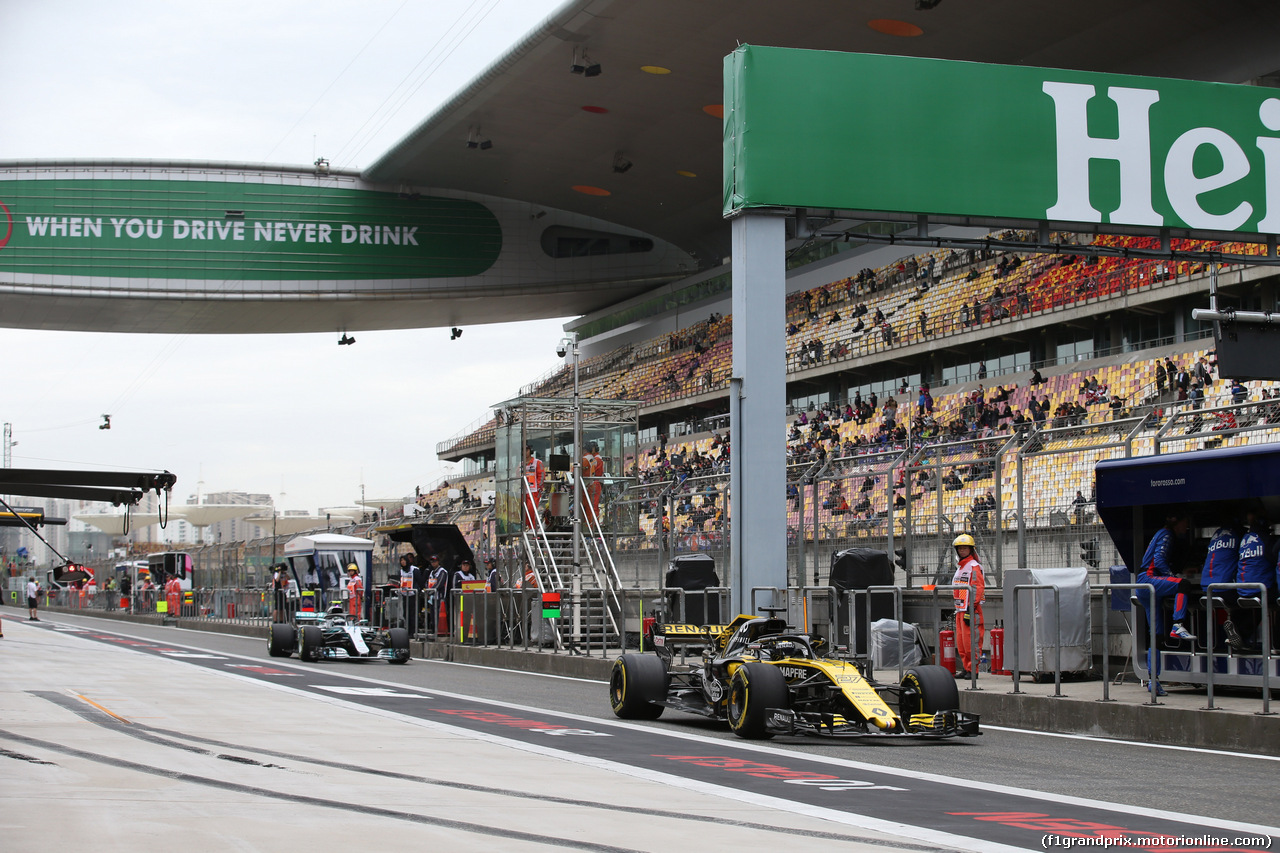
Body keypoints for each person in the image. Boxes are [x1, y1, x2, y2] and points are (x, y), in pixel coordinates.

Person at [1137, 514, 1196, 646]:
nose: (1186, 526)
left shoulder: (1161, 533)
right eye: (1185, 522)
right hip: (1149, 579)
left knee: (1156, 638)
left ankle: (1153, 667)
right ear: (1177, 522)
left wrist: (1176, 573)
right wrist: (1173, 577)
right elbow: (1158, 561)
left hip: (1143, 583)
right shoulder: (1167, 534)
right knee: (1183, 585)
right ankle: (1178, 625)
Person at [1200, 523, 1244, 650]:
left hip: (1206, 590)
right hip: (1224, 589)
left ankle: (1232, 635)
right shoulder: (1239, 535)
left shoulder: (1215, 535)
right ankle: (1240, 635)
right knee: (1251, 599)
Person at [951, 534, 985, 679]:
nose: (962, 551)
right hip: (960, 609)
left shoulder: (974, 566)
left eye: (965, 548)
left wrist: (971, 608)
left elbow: (978, 587)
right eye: (960, 549)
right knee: (962, 642)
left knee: (972, 641)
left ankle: (974, 670)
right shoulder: (960, 568)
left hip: (971, 609)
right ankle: (966, 667)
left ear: (971, 550)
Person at [582, 441, 605, 522]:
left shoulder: (594, 459)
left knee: (591, 507)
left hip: (592, 483)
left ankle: (592, 526)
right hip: (594, 483)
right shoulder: (595, 458)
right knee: (591, 507)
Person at [523, 444, 545, 528]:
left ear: (530, 451)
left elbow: (542, 475)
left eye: (527, 450)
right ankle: (529, 527)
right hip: (523, 491)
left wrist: (539, 487)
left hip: (534, 491)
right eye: (524, 450)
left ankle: (532, 527)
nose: (525, 452)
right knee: (525, 511)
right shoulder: (521, 464)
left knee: (531, 509)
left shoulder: (537, 462)